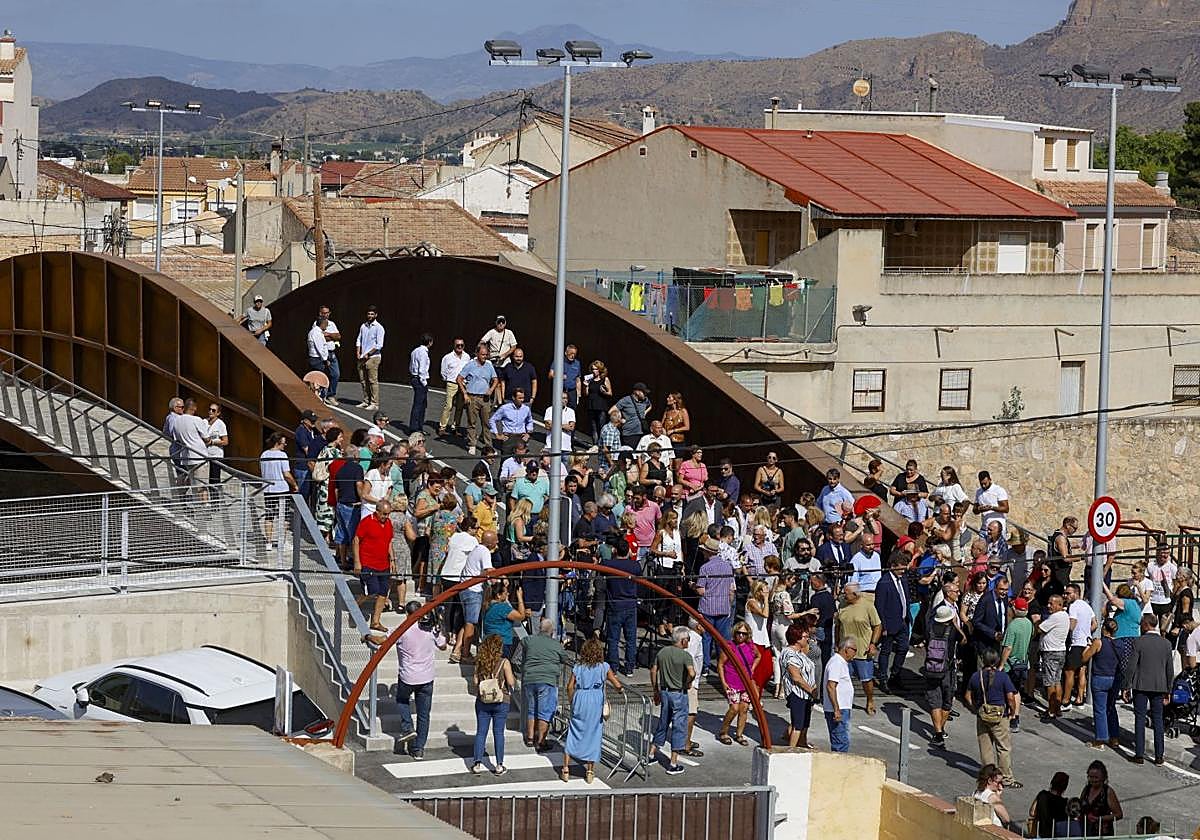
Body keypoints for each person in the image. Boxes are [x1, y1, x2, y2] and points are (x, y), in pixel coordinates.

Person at [563, 637, 623, 783]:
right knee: (594, 734)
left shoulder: (578, 667)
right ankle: (590, 770)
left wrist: (573, 701)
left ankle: (565, 768)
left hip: (581, 697)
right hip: (596, 700)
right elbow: (617, 684)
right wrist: (620, 690)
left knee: (574, 730)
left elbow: (569, 686)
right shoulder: (604, 667)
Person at [394, 600, 447, 760]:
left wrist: (368, 636)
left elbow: (383, 640)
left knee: (402, 700)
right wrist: (440, 625)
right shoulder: (430, 629)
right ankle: (418, 749)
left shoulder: (402, 630)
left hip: (408, 676)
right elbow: (443, 645)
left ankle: (408, 727)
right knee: (424, 715)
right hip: (426, 677)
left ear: (407, 614)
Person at [965, 647, 1020, 788]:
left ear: (983, 660)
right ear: (997, 661)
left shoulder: (976, 676)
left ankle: (989, 776)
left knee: (986, 748)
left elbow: (967, 697)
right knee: (1003, 748)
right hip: (1000, 716)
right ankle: (1006, 778)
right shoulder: (1003, 677)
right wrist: (1013, 712)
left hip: (982, 715)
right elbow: (1010, 697)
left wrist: (976, 709)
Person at [514, 618, 568, 752]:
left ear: (539, 629)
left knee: (532, 710)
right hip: (547, 680)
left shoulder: (528, 640)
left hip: (529, 679)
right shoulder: (556, 645)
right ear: (552, 631)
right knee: (545, 712)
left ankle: (530, 738)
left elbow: (516, 658)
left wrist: (525, 669)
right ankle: (541, 741)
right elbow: (565, 658)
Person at [1128, 613, 1175, 765]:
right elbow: (1170, 670)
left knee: (1140, 718)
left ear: (1146, 624)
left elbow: (1132, 666)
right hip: (1159, 686)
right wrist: (1168, 690)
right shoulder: (1166, 644)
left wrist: (1126, 685)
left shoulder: (1139, 642)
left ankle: (1139, 754)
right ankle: (1159, 755)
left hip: (1141, 685)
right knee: (1158, 720)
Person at [650, 626, 695, 775]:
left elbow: (653, 670)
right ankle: (673, 763)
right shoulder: (685, 656)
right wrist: (687, 682)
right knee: (679, 727)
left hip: (665, 692)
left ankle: (651, 753)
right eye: (688, 639)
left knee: (663, 722)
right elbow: (692, 673)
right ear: (683, 640)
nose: (688, 641)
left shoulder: (663, 652)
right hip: (678, 693)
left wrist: (656, 689)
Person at [471, 634, 515, 776]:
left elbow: (475, 682)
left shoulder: (480, 661)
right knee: (498, 732)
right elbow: (511, 682)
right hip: (501, 700)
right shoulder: (504, 662)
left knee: (481, 732)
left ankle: (477, 763)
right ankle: (499, 765)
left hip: (483, 700)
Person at [452, 530, 497, 663]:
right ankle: (465, 654)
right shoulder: (484, 551)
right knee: (471, 623)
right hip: (473, 591)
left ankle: (457, 650)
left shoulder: (477, 549)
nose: (498, 542)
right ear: (491, 543)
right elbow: (490, 571)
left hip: (465, 588)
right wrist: (502, 579)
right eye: (496, 540)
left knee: (468, 621)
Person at [836, 582, 881, 714]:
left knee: (866, 679)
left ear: (855, 594)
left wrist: (873, 644)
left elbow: (877, 625)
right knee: (843, 678)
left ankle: (870, 700)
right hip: (845, 650)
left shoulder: (867, 606)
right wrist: (837, 643)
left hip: (862, 649)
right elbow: (838, 625)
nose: (844, 595)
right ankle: (843, 702)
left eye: (846, 593)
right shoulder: (843, 605)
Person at [352, 498, 394, 633]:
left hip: (383, 564)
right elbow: (356, 540)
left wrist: (392, 559)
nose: (386, 517)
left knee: (383, 592)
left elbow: (389, 542)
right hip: (368, 563)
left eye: (388, 514)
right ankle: (354, 606)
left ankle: (375, 621)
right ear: (377, 511)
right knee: (371, 591)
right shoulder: (367, 522)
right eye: (384, 514)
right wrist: (357, 562)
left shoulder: (388, 523)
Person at [717, 620, 761, 745]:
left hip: (746, 683)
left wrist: (752, 668)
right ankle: (723, 732)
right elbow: (720, 665)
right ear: (734, 633)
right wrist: (723, 682)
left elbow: (759, 656)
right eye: (739, 633)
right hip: (732, 682)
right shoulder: (729, 647)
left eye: (744, 634)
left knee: (744, 708)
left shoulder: (751, 646)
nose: (741, 636)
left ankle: (739, 734)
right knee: (734, 708)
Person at [924, 604, 962, 748]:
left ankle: (938, 732)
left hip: (931, 668)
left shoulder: (929, 629)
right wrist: (954, 624)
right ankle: (940, 730)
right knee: (947, 700)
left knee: (934, 701)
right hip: (947, 669)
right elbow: (963, 638)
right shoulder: (952, 631)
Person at [603, 535, 641, 676]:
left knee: (613, 638)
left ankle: (614, 666)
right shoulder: (635, 566)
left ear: (614, 550)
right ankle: (630, 666)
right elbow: (638, 571)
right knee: (631, 638)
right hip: (631, 605)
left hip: (615, 605)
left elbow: (600, 567)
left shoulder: (609, 564)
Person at [696, 536, 736, 673]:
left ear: (707, 552)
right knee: (723, 640)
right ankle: (723, 665)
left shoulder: (705, 568)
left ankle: (706, 666)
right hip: (724, 607)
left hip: (708, 607)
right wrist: (729, 604)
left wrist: (693, 587)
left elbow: (701, 590)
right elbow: (731, 588)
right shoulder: (727, 566)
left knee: (706, 638)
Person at [874, 551, 912, 692]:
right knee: (886, 651)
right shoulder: (884, 583)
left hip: (902, 621)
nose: (903, 570)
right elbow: (879, 606)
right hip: (889, 624)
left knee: (903, 648)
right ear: (892, 566)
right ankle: (883, 678)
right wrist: (882, 626)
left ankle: (895, 674)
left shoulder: (903, 579)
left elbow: (906, 598)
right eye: (901, 567)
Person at [1032, 594, 1071, 720]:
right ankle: (1057, 708)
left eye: (1051, 604)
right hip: (1060, 651)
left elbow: (1040, 629)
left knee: (1049, 683)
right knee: (1057, 681)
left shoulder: (1055, 617)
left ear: (1059, 605)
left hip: (1051, 652)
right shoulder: (1065, 615)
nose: (1048, 606)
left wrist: (1036, 620)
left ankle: (1051, 710)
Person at [779, 623, 818, 748]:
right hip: (797, 693)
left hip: (806, 694)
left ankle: (801, 743)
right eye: (805, 637)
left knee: (805, 722)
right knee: (798, 724)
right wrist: (811, 689)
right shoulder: (789, 654)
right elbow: (796, 677)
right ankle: (791, 749)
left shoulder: (799, 652)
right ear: (797, 638)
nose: (808, 639)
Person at [456, 342, 498, 456]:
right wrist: (464, 393)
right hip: (472, 397)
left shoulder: (489, 365)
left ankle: (488, 446)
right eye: (483, 354)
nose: (485, 357)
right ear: (477, 354)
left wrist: (491, 390)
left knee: (486, 423)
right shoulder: (470, 365)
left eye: (486, 354)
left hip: (485, 398)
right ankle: (472, 444)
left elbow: (495, 379)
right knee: (472, 422)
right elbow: (459, 379)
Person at [259, 432, 298, 550]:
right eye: (283, 442)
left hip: (268, 489)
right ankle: (282, 542)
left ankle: (269, 542)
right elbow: (286, 474)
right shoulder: (282, 455)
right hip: (281, 489)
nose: (285, 444)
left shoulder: (264, 454)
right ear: (278, 443)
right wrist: (295, 485)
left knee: (269, 516)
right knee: (284, 516)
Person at [998, 596, 1033, 726]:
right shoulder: (1029, 624)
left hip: (1010, 665)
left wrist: (1001, 664)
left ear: (1014, 609)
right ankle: (1016, 716)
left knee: (1008, 691)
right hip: (1023, 663)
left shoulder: (1012, 626)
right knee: (1017, 690)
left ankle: (1010, 714)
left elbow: (1008, 647)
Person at [1064, 583, 1097, 709]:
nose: (1066, 596)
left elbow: (1072, 623)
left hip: (1076, 643)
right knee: (1082, 671)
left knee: (1069, 672)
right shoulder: (1087, 606)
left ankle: (1066, 701)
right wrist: (1086, 631)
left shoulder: (1073, 606)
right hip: (1086, 642)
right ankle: (1080, 698)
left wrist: (1067, 632)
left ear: (1076, 593)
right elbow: (1095, 623)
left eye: (1068, 593)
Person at [824, 637, 857, 753]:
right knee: (840, 742)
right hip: (839, 709)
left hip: (842, 708)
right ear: (847, 649)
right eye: (854, 650)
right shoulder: (836, 663)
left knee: (842, 741)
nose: (855, 654)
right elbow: (831, 686)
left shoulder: (840, 662)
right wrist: (836, 709)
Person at [480, 579, 527, 659]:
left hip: (489, 642)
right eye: (505, 593)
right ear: (498, 595)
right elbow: (521, 616)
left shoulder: (488, 606)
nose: (508, 594)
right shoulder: (502, 608)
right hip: (502, 643)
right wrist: (519, 597)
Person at [1078, 760, 1123, 836]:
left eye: (1096, 777)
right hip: (1086, 831)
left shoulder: (1108, 792)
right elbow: (1080, 806)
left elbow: (1118, 814)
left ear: (1103, 777)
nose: (1093, 780)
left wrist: (1099, 819)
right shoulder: (1086, 789)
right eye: (1090, 777)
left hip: (1102, 833)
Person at [354, 305, 386, 412]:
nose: (370, 315)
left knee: (372, 380)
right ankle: (366, 400)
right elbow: (359, 339)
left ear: (376, 315)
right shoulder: (363, 326)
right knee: (363, 380)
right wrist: (358, 352)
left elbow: (379, 345)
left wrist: (368, 353)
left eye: (372, 314)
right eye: (368, 313)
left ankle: (374, 403)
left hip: (373, 357)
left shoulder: (379, 327)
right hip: (362, 357)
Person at [437, 337, 470, 437]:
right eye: (458, 345)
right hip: (452, 383)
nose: (460, 347)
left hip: (463, 384)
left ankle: (455, 427)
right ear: (454, 346)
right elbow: (443, 372)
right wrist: (449, 379)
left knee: (460, 407)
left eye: (462, 345)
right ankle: (442, 427)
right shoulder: (447, 357)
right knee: (449, 406)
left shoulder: (467, 357)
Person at [489, 388, 533, 458]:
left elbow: (530, 421)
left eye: (523, 398)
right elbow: (492, 420)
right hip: (508, 438)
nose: (522, 400)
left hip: (521, 438)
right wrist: (497, 435)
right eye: (519, 398)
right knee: (505, 460)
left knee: (520, 462)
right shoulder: (504, 408)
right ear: (513, 398)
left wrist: (528, 433)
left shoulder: (526, 409)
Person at [1027, 772, 1071, 840]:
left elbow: (1032, 812)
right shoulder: (1065, 802)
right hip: (1057, 835)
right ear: (1064, 787)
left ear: (1052, 783)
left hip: (1041, 834)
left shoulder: (1042, 794)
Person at [403, 331, 432, 432]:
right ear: (430, 342)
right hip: (420, 380)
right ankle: (415, 428)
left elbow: (411, 366)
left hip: (414, 378)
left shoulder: (415, 351)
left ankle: (418, 427)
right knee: (419, 405)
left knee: (421, 404)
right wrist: (424, 382)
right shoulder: (423, 353)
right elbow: (422, 369)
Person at [316, 305, 342, 407]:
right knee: (322, 375)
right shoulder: (316, 324)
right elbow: (320, 338)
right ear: (320, 313)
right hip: (322, 353)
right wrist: (332, 336)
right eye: (323, 313)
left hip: (332, 353)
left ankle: (331, 395)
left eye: (327, 313)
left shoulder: (332, 324)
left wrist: (328, 335)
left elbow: (338, 336)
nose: (325, 315)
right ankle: (321, 395)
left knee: (336, 374)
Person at [973, 764, 1013, 829]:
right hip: (995, 830)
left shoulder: (976, 792)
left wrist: (998, 795)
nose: (1000, 786)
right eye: (998, 782)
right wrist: (997, 798)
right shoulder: (992, 797)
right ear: (989, 781)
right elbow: (1006, 819)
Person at [614, 383, 652, 449]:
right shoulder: (626, 400)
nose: (645, 395)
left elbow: (650, 406)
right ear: (637, 392)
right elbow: (611, 411)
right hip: (630, 434)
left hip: (642, 433)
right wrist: (620, 420)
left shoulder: (645, 400)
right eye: (644, 392)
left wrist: (644, 413)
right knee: (631, 456)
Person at [583, 360, 613, 441]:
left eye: (596, 369)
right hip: (591, 405)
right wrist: (585, 386)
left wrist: (604, 392)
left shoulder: (605, 379)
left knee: (601, 426)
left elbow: (610, 393)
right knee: (593, 427)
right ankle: (595, 445)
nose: (594, 371)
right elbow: (586, 394)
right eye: (593, 369)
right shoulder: (590, 380)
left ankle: (602, 445)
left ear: (600, 370)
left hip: (601, 406)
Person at [972, 470, 1009, 534]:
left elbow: (1006, 509)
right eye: (981, 484)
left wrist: (991, 507)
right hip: (985, 527)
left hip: (997, 528)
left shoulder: (998, 490)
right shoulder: (979, 492)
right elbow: (975, 510)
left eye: (985, 483)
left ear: (990, 480)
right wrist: (979, 509)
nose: (983, 486)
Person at [547, 342, 581, 408]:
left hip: (572, 392)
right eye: (571, 353)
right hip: (560, 390)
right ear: (566, 353)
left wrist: (578, 394)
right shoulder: (558, 361)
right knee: (559, 408)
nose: (572, 356)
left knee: (572, 410)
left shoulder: (577, 363)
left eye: (574, 354)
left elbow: (578, 379)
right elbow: (550, 375)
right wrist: (559, 377)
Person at [202, 403, 228, 488]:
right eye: (209, 409)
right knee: (203, 480)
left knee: (214, 480)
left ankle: (216, 500)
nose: (210, 411)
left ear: (218, 413)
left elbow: (225, 441)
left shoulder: (221, 424)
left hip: (216, 455)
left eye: (213, 410)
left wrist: (213, 442)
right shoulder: (204, 422)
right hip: (204, 454)